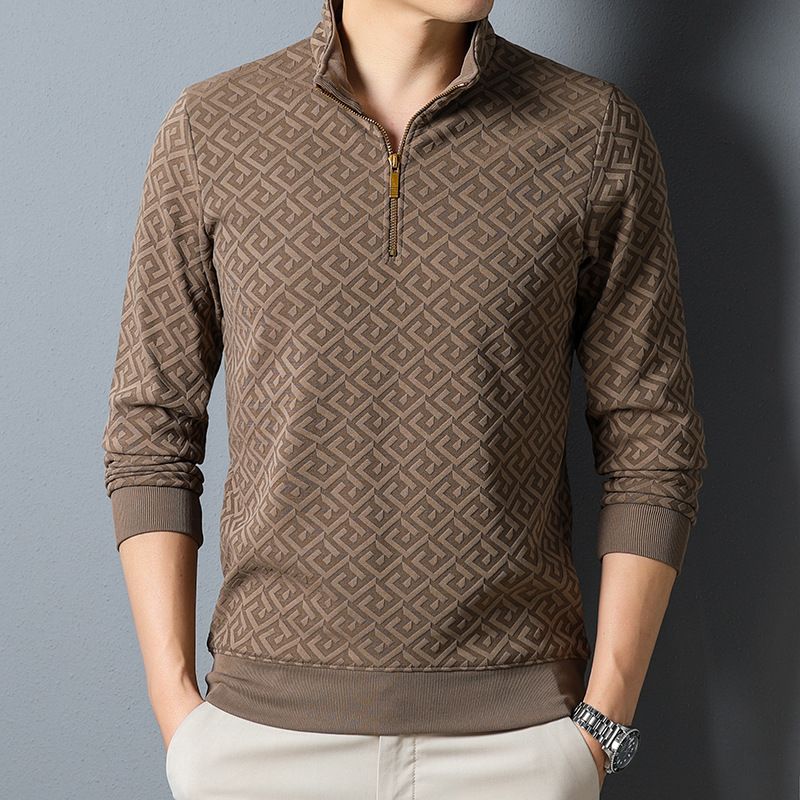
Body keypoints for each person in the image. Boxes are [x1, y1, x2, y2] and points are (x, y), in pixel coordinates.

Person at [101, 0, 708, 797]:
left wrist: (602, 722)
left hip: (516, 745)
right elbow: (152, 424)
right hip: (261, 740)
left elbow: (653, 436)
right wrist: (176, 702)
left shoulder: (593, 133)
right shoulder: (213, 128)